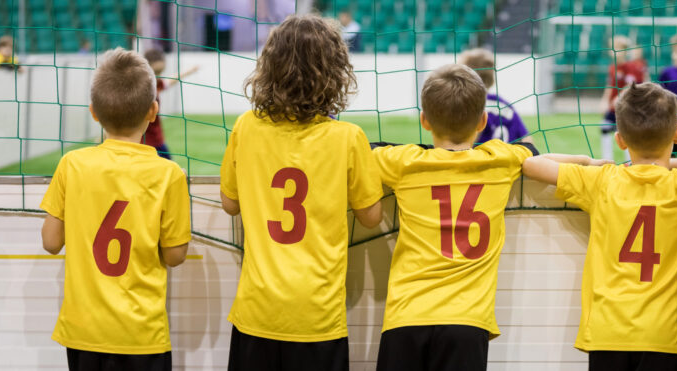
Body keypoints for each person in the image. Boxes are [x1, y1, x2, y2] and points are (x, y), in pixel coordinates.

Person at [219, 14, 384, 371]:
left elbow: (230, 203)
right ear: (335, 72)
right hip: (317, 316)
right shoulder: (349, 138)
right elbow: (372, 216)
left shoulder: (246, 127)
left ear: (270, 68)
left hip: (257, 311)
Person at [523, 82, 677, 371]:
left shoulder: (603, 180)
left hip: (607, 333)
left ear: (619, 140)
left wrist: (586, 161)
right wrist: (676, 163)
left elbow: (531, 164)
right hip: (662, 334)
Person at [372, 64, 537, 371]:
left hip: (406, 317)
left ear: (424, 121)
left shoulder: (403, 161)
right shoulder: (501, 159)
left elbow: (360, 152)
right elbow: (531, 151)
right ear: (483, 121)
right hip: (467, 322)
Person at [39, 48, 190, 371]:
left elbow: (51, 242)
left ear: (93, 112)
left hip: (84, 331)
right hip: (142, 333)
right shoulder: (169, 174)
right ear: (153, 111)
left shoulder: (72, 165)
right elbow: (175, 256)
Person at [459, 48, 532, 144]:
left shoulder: (465, 106)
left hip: (479, 158)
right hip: (508, 158)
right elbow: (528, 140)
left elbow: (463, 144)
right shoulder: (503, 105)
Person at [142, 49, 199, 159]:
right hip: (144, 142)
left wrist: (190, 70)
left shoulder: (157, 83)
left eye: (160, 72)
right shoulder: (142, 87)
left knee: (170, 167)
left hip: (158, 140)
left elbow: (171, 80)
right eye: (155, 72)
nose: (158, 76)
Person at [599, 35, 647, 162]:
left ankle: (630, 161)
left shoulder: (630, 66)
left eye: (617, 48)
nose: (613, 51)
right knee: (604, 128)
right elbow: (609, 85)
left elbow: (631, 85)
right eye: (612, 48)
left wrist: (620, 97)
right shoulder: (612, 67)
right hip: (613, 108)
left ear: (625, 51)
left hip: (626, 107)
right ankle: (607, 160)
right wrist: (604, 101)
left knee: (626, 135)